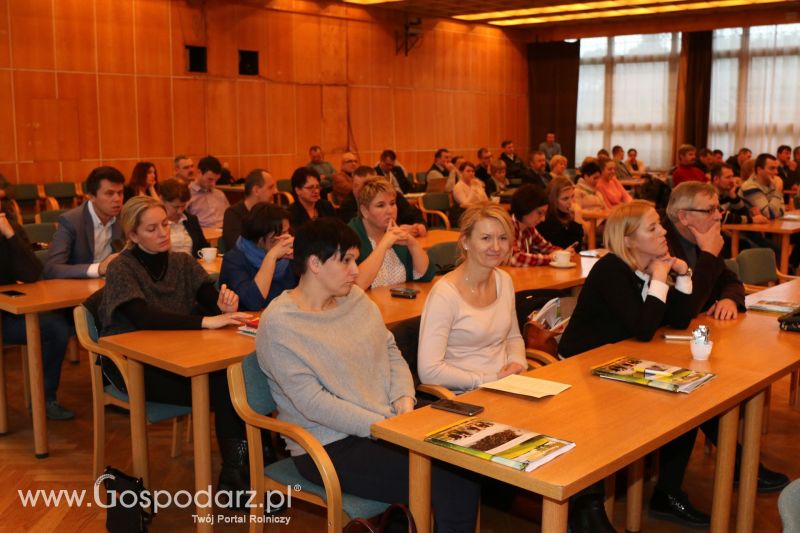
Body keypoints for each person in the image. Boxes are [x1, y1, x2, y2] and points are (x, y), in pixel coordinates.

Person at [256, 218, 480, 532]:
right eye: (345, 260)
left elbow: (389, 351)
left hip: (387, 425)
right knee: (453, 481)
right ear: (314, 264)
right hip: (328, 444)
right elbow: (313, 403)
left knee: (466, 463)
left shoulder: (356, 299)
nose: (356, 269)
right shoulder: (280, 324)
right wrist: (381, 425)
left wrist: (404, 398)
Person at [90, 196, 251, 498]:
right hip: (132, 366)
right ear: (133, 236)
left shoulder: (182, 261)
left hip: (177, 357)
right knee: (227, 388)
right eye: (152, 229)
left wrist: (221, 305)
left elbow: (209, 299)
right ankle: (236, 481)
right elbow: (143, 317)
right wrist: (207, 322)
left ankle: (246, 467)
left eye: (164, 224)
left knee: (238, 380)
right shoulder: (122, 268)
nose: (163, 233)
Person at [559, 201, 706, 530]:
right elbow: (642, 328)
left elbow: (680, 319)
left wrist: (681, 273)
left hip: (619, 366)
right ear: (628, 240)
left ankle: (667, 493)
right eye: (652, 228)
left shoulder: (651, 265)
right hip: (580, 370)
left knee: (688, 405)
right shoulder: (611, 269)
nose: (663, 232)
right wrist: (658, 278)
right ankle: (588, 508)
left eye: (659, 225)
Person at [418, 204, 526, 391]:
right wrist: (489, 379)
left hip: (507, 387)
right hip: (466, 396)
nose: (496, 247)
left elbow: (514, 337)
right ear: (466, 241)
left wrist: (517, 364)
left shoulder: (505, 281)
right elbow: (429, 370)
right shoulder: (444, 295)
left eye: (503, 238)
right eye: (486, 238)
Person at [0, 203, 73, 419]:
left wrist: (10, 234)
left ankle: (45, 398)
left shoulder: (7, 226)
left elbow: (32, 273)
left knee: (57, 328)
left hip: (8, 315)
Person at [349, 178, 435, 289]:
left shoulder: (395, 232)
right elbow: (357, 285)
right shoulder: (349, 238)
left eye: (392, 203)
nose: (390, 211)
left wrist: (412, 243)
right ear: (365, 211)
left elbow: (426, 276)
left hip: (401, 304)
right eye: (381, 205)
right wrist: (383, 245)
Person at [44, 166, 124, 279]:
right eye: (110, 193)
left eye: (120, 193)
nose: (117, 199)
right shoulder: (71, 221)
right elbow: (52, 268)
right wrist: (99, 268)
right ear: (91, 197)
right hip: (80, 286)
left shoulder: (124, 217)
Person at [219, 203, 297, 312]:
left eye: (288, 231)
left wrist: (301, 259)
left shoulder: (288, 255)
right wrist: (271, 257)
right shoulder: (234, 261)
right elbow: (253, 302)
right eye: (282, 233)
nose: (287, 237)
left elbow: (310, 294)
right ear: (260, 239)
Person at [337, 165, 427, 236]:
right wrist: (401, 230)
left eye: (370, 185)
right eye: (358, 186)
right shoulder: (347, 205)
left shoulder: (392, 195)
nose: (363, 190)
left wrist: (419, 227)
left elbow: (412, 214)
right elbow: (365, 230)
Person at [508, 184, 568, 267]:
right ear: (526, 207)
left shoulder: (529, 228)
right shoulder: (507, 226)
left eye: (544, 214)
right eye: (540, 213)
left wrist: (562, 253)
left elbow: (546, 247)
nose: (543, 219)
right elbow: (515, 258)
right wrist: (551, 258)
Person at [222, 168, 277, 251]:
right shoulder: (233, 214)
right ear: (256, 191)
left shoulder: (271, 212)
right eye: (270, 188)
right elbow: (236, 246)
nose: (275, 191)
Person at [157, 178, 209, 256]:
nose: (180, 211)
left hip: (192, 265)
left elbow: (203, 248)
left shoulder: (191, 220)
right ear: (161, 199)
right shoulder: (155, 223)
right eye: (176, 207)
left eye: (183, 206)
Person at [538, 177, 584, 250]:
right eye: (565, 199)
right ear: (553, 200)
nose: (571, 202)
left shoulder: (564, 213)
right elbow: (572, 249)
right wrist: (577, 222)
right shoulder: (546, 219)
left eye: (572, 196)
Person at [186, 155, 229, 229]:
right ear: (199, 172)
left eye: (216, 180)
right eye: (210, 179)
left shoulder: (220, 194)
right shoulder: (187, 194)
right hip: (203, 233)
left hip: (223, 232)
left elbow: (230, 217)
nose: (213, 184)